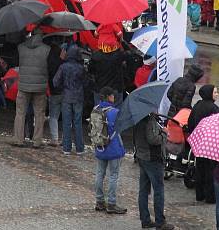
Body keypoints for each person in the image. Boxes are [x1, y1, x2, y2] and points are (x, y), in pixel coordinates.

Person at [134, 113, 173, 230]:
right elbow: (153, 139)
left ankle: (145, 220)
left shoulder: (138, 118)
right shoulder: (149, 120)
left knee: (144, 190)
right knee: (159, 191)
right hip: (152, 159)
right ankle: (160, 222)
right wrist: (164, 134)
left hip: (142, 156)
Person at [93, 87, 127, 215]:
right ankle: (111, 203)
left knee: (99, 174)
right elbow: (119, 129)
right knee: (113, 175)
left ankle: (99, 201)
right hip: (113, 148)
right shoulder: (115, 112)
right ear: (108, 96)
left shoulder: (95, 109)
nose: (114, 97)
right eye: (112, 96)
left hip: (100, 146)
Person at [13, 30, 49, 147]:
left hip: (23, 85)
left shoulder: (21, 47)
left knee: (20, 113)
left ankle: (18, 139)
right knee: (39, 114)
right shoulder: (47, 49)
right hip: (40, 87)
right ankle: (37, 141)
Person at [188, 85, 219, 204]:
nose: (217, 94)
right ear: (209, 93)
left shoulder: (197, 105)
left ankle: (199, 194)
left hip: (199, 141)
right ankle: (210, 197)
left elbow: (190, 122)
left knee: (200, 168)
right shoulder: (215, 109)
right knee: (211, 170)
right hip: (211, 143)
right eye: (215, 92)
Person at [53, 44, 86, 155]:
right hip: (78, 97)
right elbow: (86, 82)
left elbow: (55, 82)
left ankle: (67, 148)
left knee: (66, 122)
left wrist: (63, 88)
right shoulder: (81, 68)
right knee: (78, 122)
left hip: (66, 96)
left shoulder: (63, 67)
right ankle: (79, 148)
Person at [89, 32, 127, 105]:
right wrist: (121, 41)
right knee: (116, 113)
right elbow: (130, 53)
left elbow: (90, 70)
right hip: (116, 88)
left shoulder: (95, 56)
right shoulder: (118, 55)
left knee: (99, 113)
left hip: (100, 88)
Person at [46, 43, 65, 145]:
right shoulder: (64, 63)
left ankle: (55, 138)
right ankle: (65, 138)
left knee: (53, 116)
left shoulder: (49, 63)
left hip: (54, 92)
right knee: (66, 116)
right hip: (65, 93)